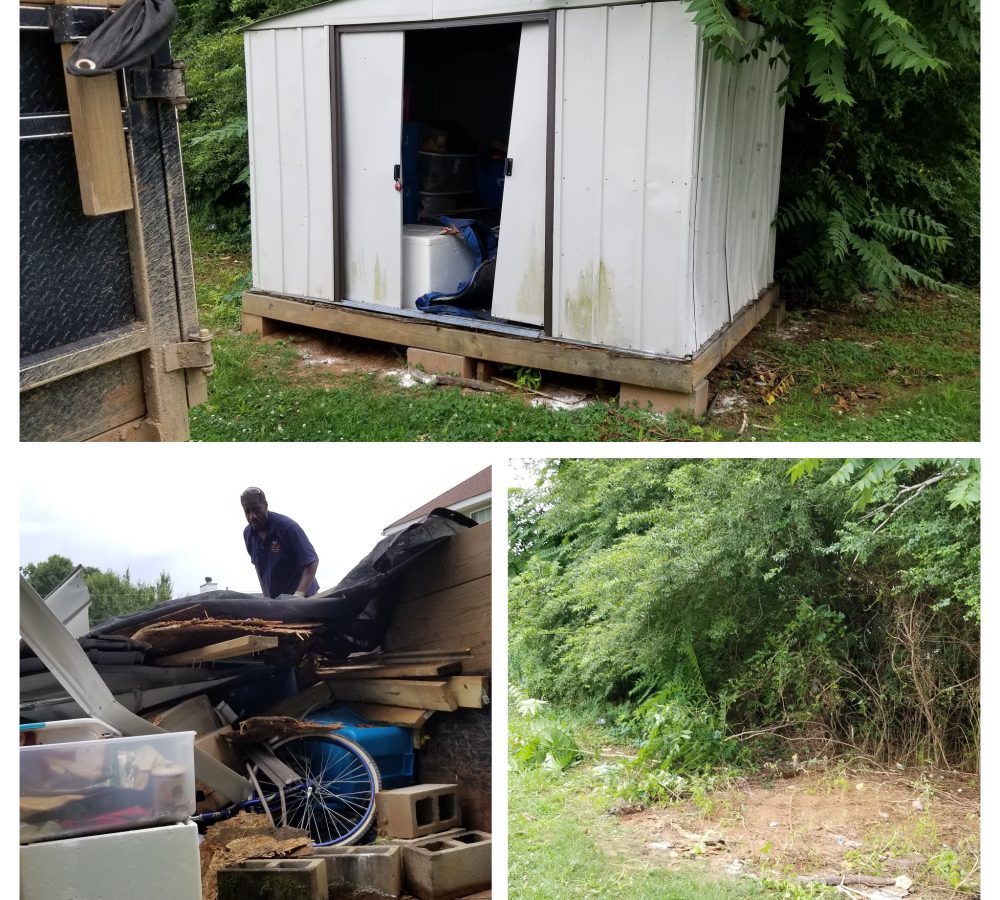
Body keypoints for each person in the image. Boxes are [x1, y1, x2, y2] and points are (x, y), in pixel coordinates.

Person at [240, 487, 320, 598]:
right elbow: (259, 569)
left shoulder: (287, 527)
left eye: (257, 510)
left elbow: (312, 561)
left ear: (266, 505)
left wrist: (299, 595)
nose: (252, 516)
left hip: (303, 598)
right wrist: (267, 598)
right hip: (277, 602)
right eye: (247, 511)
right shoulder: (248, 534)